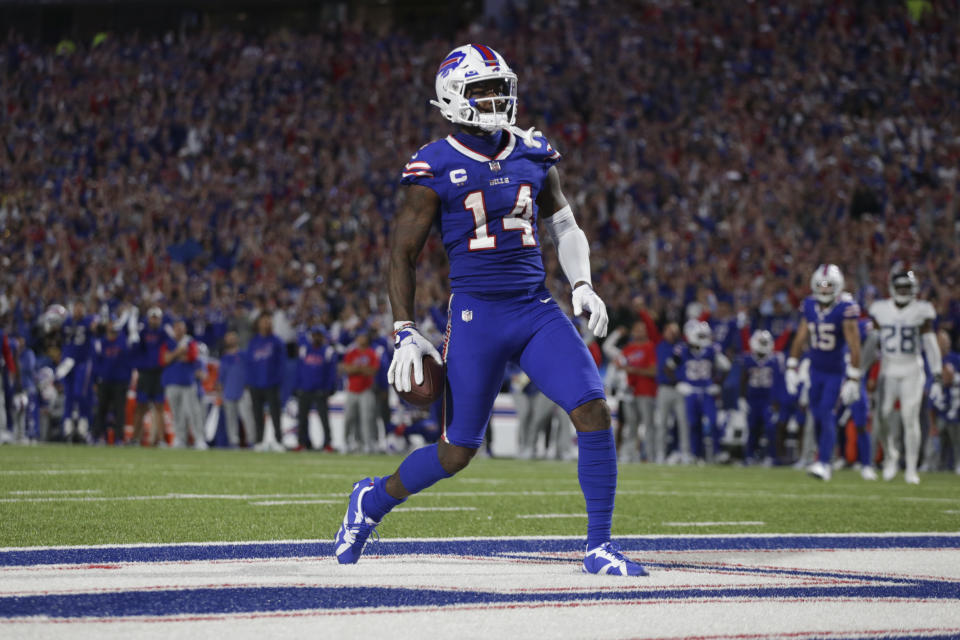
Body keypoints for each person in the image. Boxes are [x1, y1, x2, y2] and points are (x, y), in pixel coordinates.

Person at [333, 44, 646, 576]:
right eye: (483, 90)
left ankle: (599, 545)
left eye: (501, 87)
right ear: (454, 97)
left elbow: (565, 225)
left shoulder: (533, 150)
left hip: (535, 307)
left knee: (593, 408)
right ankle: (371, 502)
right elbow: (402, 255)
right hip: (478, 316)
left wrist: (584, 284)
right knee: (456, 453)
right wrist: (404, 330)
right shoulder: (434, 163)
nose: (497, 98)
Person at [864, 267, 942, 484]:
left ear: (914, 288)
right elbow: (872, 344)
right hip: (888, 369)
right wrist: (859, 371)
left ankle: (910, 468)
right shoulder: (880, 309)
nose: (904, 290)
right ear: (892, 288)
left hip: (911, 369)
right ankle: (890, 456)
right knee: (883, 416)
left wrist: (936, 375)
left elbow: (930, 343)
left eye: (907, 287)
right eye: (900, 287)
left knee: (910, 416)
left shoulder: (922, 310)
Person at [786, 264, 862, 482]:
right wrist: (792, 364)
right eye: (821, 285)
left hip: (835, 371)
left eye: (830, 285)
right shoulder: (809, 305)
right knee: (817, 416)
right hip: (815, 369)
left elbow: (854, 344)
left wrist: (854, 378)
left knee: (827, 412)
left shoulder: (845, 307)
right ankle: (822, 457)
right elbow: (800, 337)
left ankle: (824, 462)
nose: (825, 289)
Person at [668, 320, 731, 463]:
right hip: (691, 392)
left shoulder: (711, 350)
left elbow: (726, 367)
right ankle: (696, 454)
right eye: (701, 336)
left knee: (714, 422)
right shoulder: (682, 350)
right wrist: (678, 383)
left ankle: (717, 452)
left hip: (707, 391)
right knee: (694, 424)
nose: (704, 339)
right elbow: (668, 368)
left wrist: (718, 383)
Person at [159, 319, 206, 449]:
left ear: (185, 329)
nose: (179, 330)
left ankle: (199, 439)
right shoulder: (168, 342)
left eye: (181, 328)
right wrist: (179, 353)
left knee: (193, 412)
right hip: (171, 382)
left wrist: (172, 356)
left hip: (188, 382)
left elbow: (192, 357)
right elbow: (163, 360)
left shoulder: (190, 341)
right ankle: (180, 439)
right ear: (174, 329)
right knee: (176, 413)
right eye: (177, 328)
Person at [739, 330, 783, 465]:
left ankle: (771, 456)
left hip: (767, 399)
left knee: (770, 428)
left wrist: (776, 402)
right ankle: (749, 456)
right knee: (752, 428)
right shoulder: (747, 359)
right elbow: (743, 380)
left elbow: (778, 382)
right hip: (753, 399)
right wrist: (741, 398)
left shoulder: (775, 359)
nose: (764, 345)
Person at [91, 316, 136, 444]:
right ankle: (97, 436)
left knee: (120, 410)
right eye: (110, 323)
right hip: (104, 381)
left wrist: (128, 378)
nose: (112, 326)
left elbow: (129, 361)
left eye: (114, 323)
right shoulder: (100, 342)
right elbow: (96, 363)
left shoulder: (123, 341)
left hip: (120, 381)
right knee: (101, 409)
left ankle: (118, 438)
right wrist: (95, 380)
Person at [246, 312, 286, 451]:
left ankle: (278, 441)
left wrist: (278, 380)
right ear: (258, 324)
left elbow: (282, 364)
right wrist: (249, 381)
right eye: (264, 321)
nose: (266, 323)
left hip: (272, 383)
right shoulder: (253, 341)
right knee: (257, 414)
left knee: (275, 414)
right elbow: (249, 362)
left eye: (268, 321)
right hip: (255, 384)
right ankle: (259, 441)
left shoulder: (277, 341)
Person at [296, 326, 338, 451]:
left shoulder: (328, 351)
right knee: (302, 418)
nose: (316, 337)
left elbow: (332, 372)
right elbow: (299, 369)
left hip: (320, 390)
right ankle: (303, 443)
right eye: (314, 335)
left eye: (319, 335)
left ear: (323, 336)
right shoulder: (304, 349)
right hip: (305, 388)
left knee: (324, 418)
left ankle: (327, 443)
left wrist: (329, 388)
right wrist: (297, 386)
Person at [132, 307, 167, 446]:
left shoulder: (164, 333)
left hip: (158, 373)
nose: (154, 320)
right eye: (152, 317)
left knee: (159, 406)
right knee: (141, 406)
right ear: (148, 318)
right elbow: (135, 350)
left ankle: (161, 440)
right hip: (145, 373)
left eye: (156, 317)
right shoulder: (142, 333)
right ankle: (135, 439)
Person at [341, 331, 380, 454]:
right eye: (359, 336)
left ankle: (367, 443)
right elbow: (346, 368)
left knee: (367, 418)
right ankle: (346, 443)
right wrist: (362, 368)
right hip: (352, 389)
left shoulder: (371, 353)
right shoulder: (352, 352)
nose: (360, 339)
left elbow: (373, 371)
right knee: (349, 417)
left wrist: (356, 368)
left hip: (366, 390)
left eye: (362, 336)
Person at [218, 331, 255, 447]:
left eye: (233, 338)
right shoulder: (224, 358)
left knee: (248, 418)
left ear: (237, 340)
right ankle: (233, 442)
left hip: (243, 391)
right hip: (228, 392)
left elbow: (250, 372)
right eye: (228, 338)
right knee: (230, 420)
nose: (231, 340)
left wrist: (249, 387)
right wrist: (220, 392)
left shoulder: (244, 355)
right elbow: (221, 377)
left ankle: (252, 441)